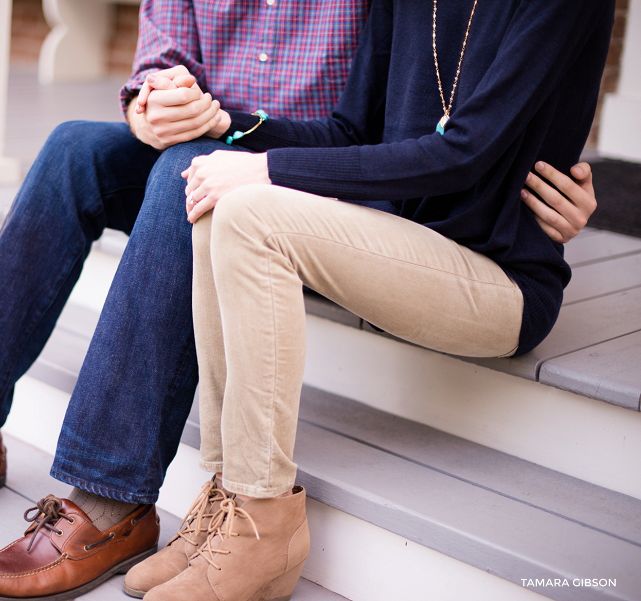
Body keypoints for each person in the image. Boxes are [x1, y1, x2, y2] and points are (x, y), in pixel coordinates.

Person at [0, 1, 597, 600]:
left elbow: (465, 137)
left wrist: (245, 152)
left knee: (192, 176)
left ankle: (108, 499)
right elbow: (162, 59)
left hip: (323, 192)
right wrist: (158, 104)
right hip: (263, 158)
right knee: (75, 149)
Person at [123, 1, 615, 600]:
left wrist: (268, 170)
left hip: (501, 280)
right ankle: (231, 499)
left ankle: (264, 524)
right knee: (217, 196)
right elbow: (350, 132)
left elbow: (468, 153)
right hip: (401, 250)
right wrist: (229, 124)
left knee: (250, 206)